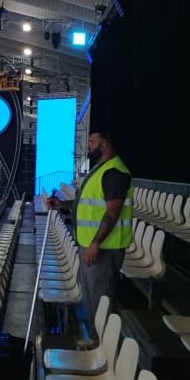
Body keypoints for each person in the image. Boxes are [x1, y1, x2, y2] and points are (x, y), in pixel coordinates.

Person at [47, 130, 133, 324]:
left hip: (104, 248)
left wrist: (95, 243)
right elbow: (83, 203)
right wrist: (61, 205)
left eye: (92, 141)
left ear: (104, 146)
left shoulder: (114, 172)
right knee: (93, 298)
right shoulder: (100, 169)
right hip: (91, 244)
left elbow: (112, 212)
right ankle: (97, 342)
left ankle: (104, 346)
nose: (88, 145)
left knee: (102, 299)